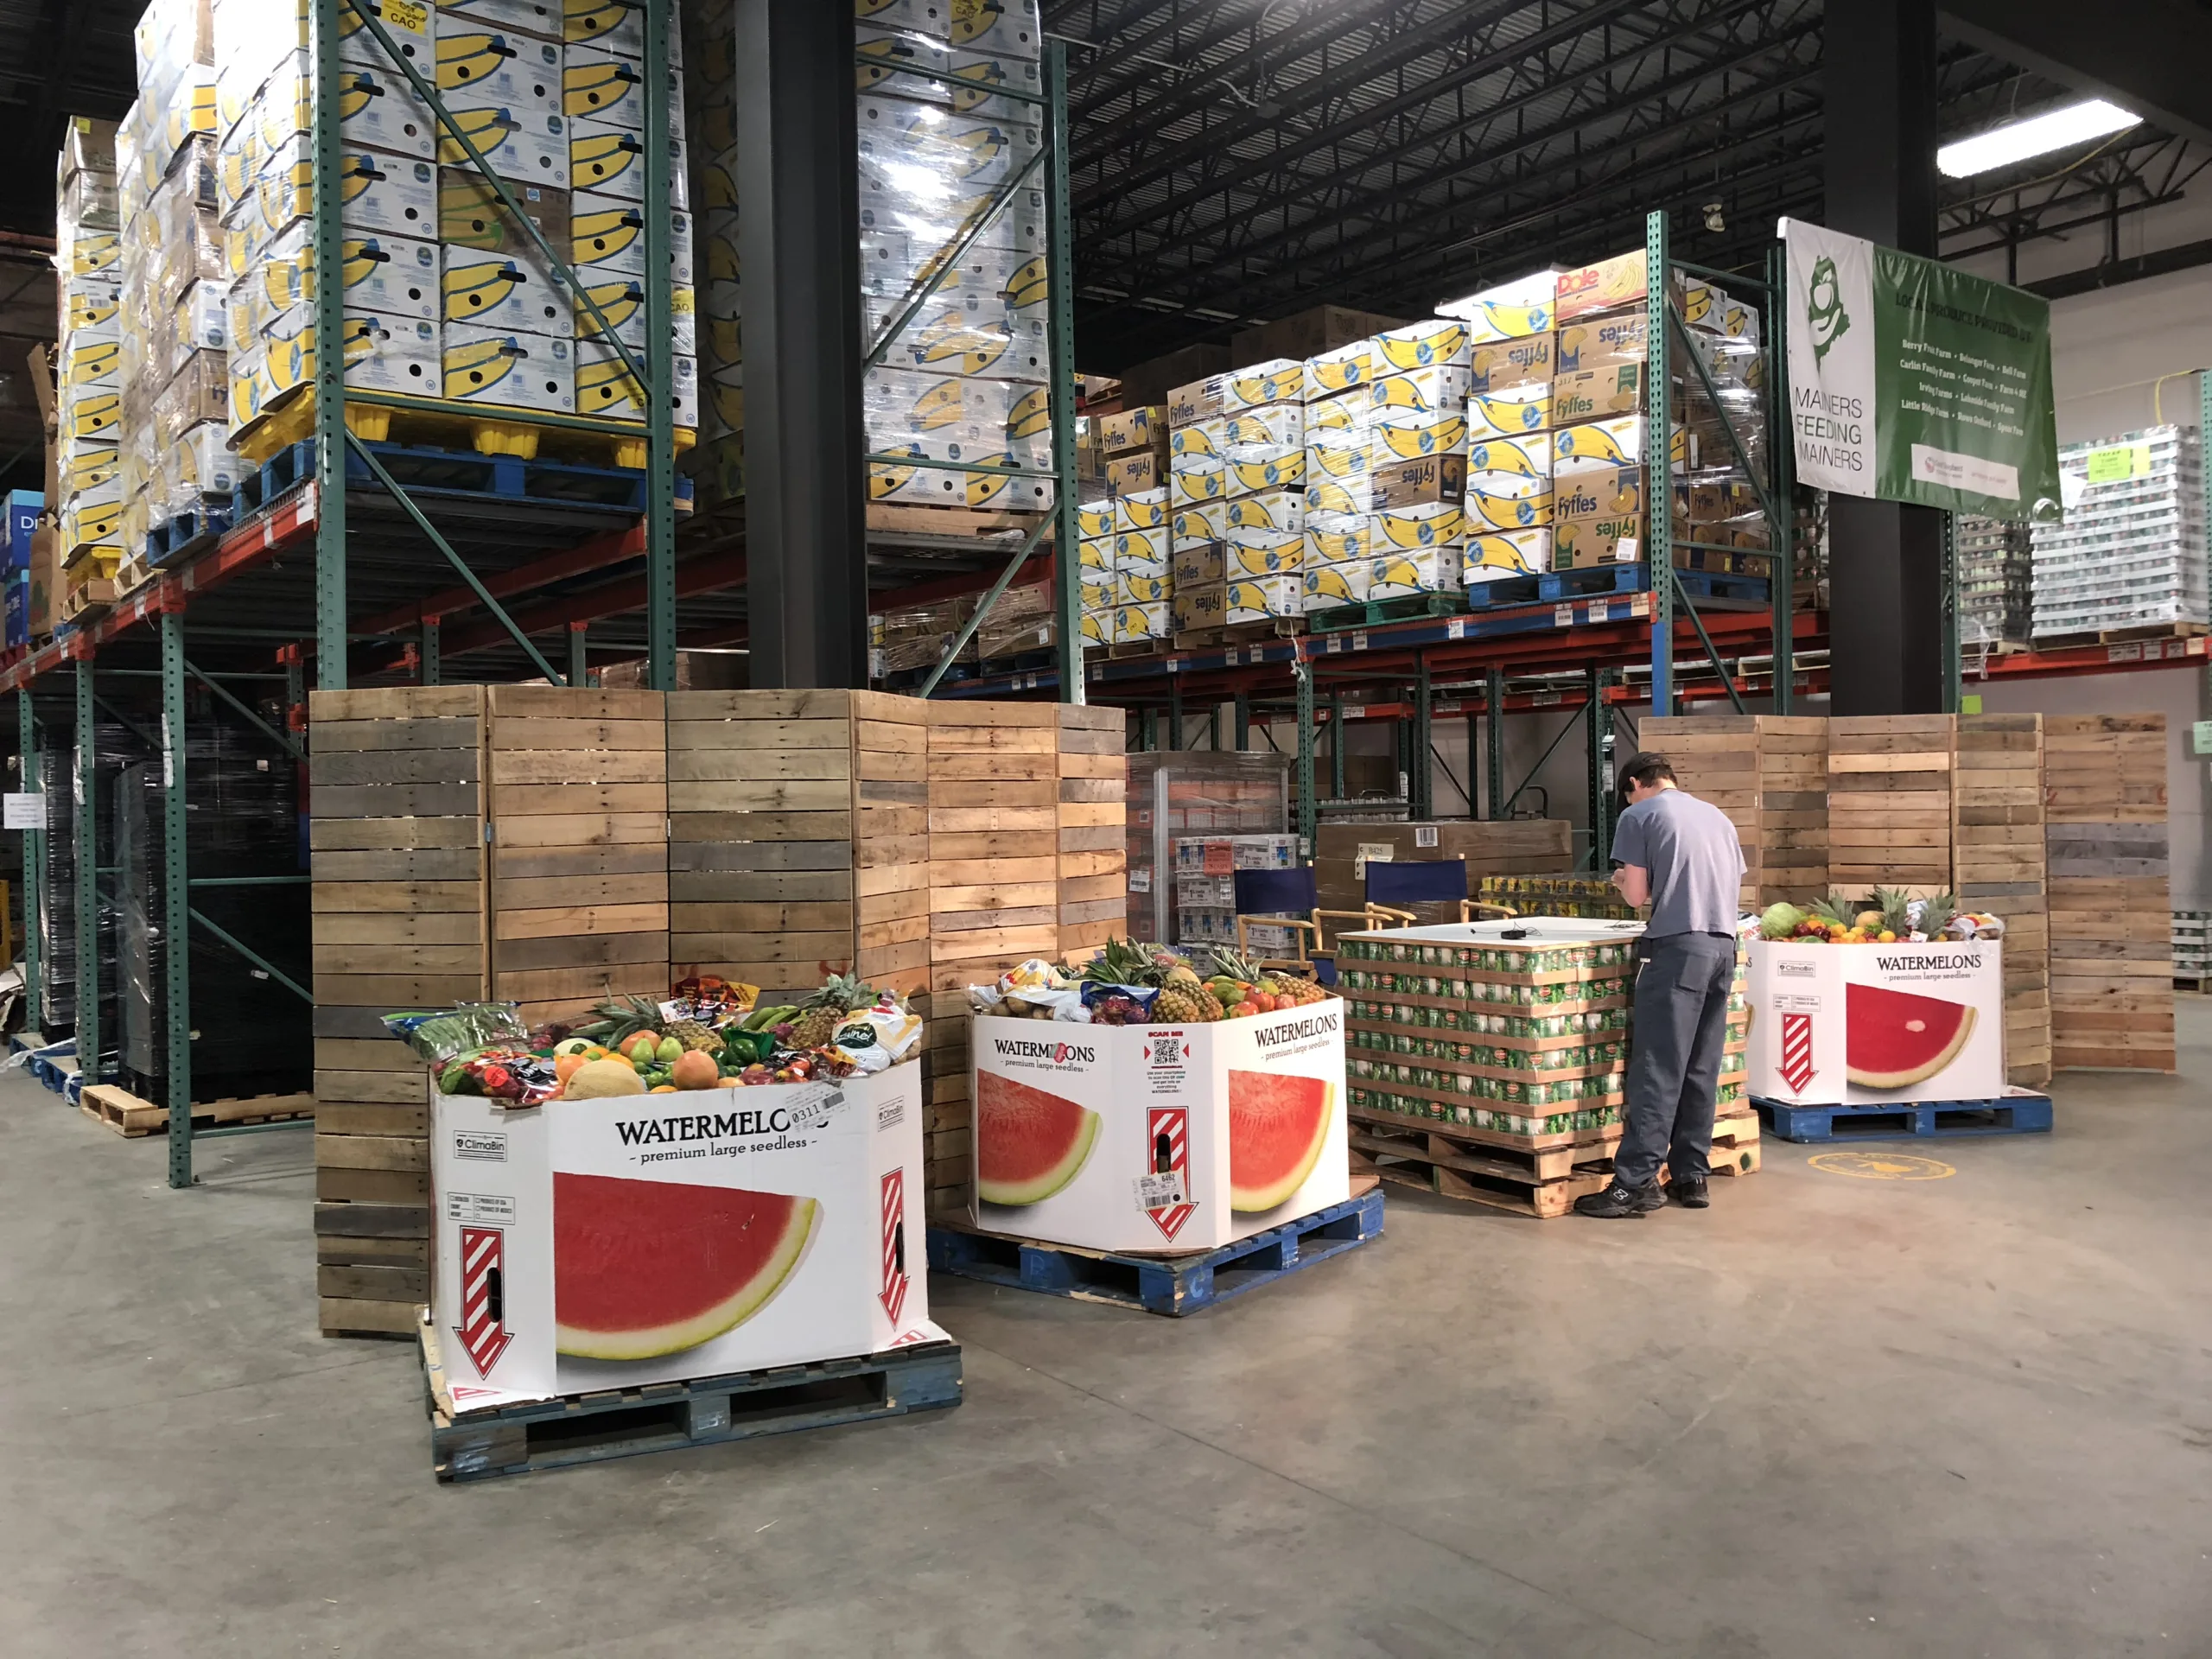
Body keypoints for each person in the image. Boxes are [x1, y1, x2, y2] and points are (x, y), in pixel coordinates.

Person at [1574, 752, 1745, 1218]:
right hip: (1723, 946)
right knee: (1700, 1065)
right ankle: (1691, 1175)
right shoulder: (1716, 816)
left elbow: (1636, 894)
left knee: (1658, 1067)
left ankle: (1633, 1183)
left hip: (1675, 949)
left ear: (1635, 783)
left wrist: (1619, 878)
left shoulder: (1639, 814)